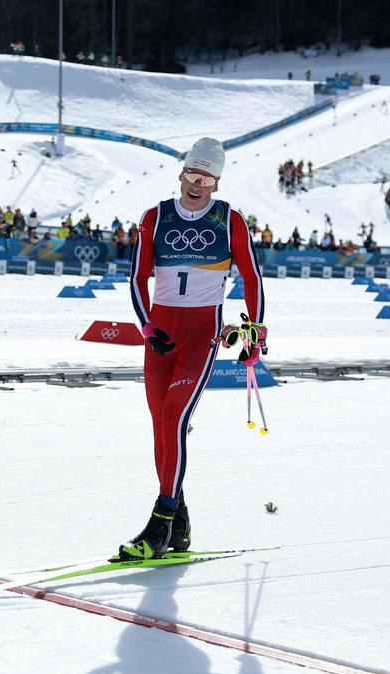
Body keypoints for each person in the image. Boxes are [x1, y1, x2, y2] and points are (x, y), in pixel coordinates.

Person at [118, 137, 265, 561]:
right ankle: (179, 520)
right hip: (162, 335)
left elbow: (252, 277)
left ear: (216, 183)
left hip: (202, 333)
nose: (196, 184)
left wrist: (255, 330)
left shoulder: (229, 220)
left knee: (174, 415)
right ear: (180, 174)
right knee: (161, 428)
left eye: (206, 178)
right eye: (190, 174)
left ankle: (160, 523)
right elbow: (136, 278)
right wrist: (147, 327)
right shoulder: (156, 216)